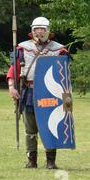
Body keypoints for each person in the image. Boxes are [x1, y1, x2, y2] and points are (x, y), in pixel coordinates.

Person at [6, 16, 68, 169]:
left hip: (51, 93)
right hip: (29, 91)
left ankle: (51, 161)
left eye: (42, 29)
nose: (39, 32)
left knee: (50, 126)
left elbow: (64, 74)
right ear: (32, 31)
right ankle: (32, 160)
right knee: (30, 128)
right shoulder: (23, 48)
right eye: (36, 29)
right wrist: (11, 86)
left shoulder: (59, 49)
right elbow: (14, 69)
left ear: (48, 31)